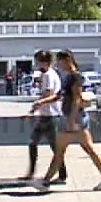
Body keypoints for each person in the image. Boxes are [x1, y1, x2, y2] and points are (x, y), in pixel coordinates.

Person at [33, 49, 101, 192]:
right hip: (75, 118)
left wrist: (71, 120)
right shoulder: (68, 77)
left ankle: (45, 182)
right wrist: (42, 102)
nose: (58, 65)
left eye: (59, 62)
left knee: (60, 151)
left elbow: (77, 99)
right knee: (86, 149)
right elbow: (59, 96)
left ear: (67, 60)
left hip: (72, 118)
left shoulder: (75, 77)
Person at [17, 50, 67, 184]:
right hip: (45, 115)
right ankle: (32, 172)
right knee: (33, 143)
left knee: (55, 147)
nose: (37, 64)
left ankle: (62, 174)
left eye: (38, 62)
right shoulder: (46, 74)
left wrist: (34, 109)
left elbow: (48, 95)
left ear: (45, 62)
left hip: (51, 116)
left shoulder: (49, 75)